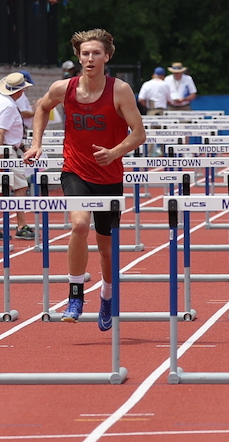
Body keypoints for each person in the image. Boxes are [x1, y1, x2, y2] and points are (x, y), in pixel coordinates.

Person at [23, 28, 146, 330]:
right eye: (85, 53)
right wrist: (36, 143)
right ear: (78, 57)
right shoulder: (63, 88)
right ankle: (75, 295)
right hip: (75, 171)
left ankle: (107, 294)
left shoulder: (120, 90)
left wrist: (114, 152)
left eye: (96, 53)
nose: (90, 58)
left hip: (109, 177)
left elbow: (139, 134)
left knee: (106, 249)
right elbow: (41, 108)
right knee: (79, 225)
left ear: (107, 57)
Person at [0, 72, 36, 240]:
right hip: (6, 152)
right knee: (18, 187)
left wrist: (23, 147)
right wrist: (1, 157)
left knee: (10, 188)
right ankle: (21, 225)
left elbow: (10, 134)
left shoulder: (5, 102)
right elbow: (1, 132)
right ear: (20, 91)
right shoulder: (8, 106)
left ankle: (20, 225)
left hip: (10, 149)